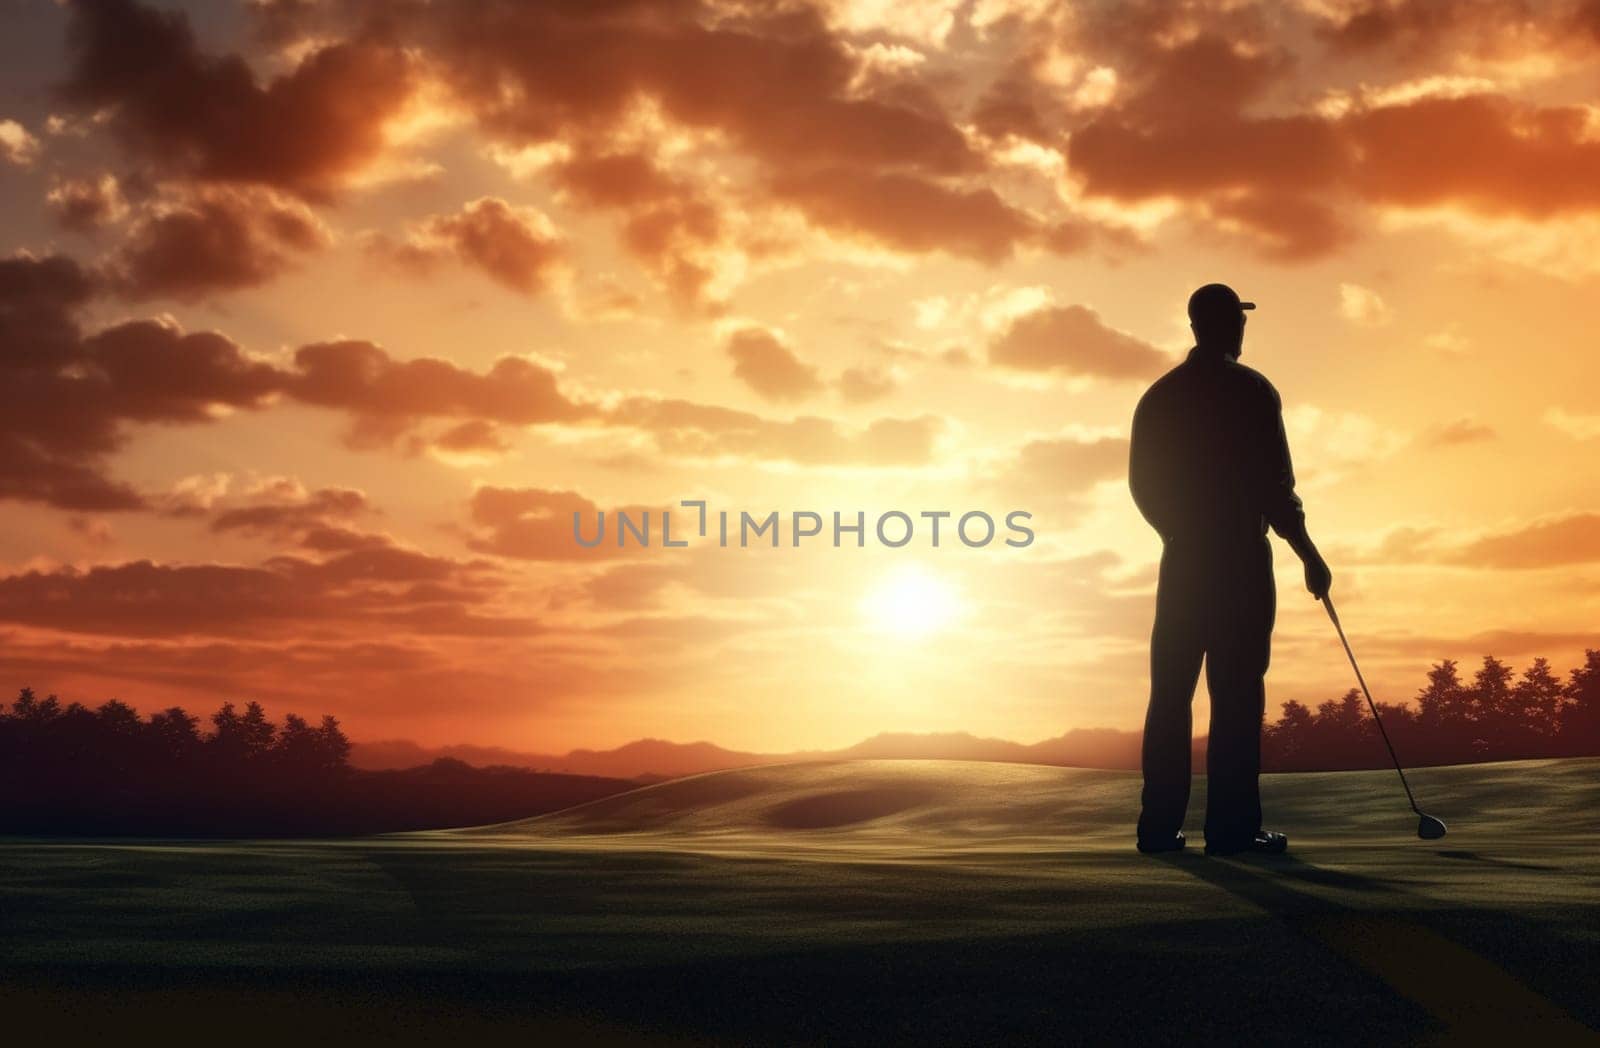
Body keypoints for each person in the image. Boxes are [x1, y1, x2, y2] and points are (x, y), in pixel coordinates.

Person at [1128, 283, 1332, 856]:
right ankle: (1232, 830)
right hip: (1240, 561)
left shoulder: (1159, 397)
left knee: (1170, 694)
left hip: (1183, 562)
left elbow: (1143, 486)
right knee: (1237, 694)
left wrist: (1177, 533)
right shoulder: (1253, 391)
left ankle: (1158, 828)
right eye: (1239, 321)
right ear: (1229, 326)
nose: (1244, 331)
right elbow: (1276, 489)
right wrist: (1309, 555)